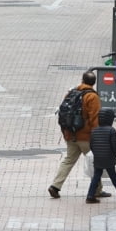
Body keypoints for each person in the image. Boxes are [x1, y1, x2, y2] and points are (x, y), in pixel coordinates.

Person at [48, 71, 111, 199]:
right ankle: (97, 190)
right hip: (85, 137)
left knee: (68, 160)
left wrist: (66, 133)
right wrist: (98, 137)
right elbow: (95, 119)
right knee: (95, 162)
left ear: (82, 80)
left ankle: (55, 186)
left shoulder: (71, 92)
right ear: (93, 83)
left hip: (70, 134)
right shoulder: (92, 97)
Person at [86, 109, 116, 204]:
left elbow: (91, 145)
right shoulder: (111, 131)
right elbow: (114, 146)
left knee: (96, 177)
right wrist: (114, 156)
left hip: (98, 158)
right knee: (114, 177)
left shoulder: (94, 131)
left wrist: (97, 154)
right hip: (108, 158)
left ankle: (90, 195)